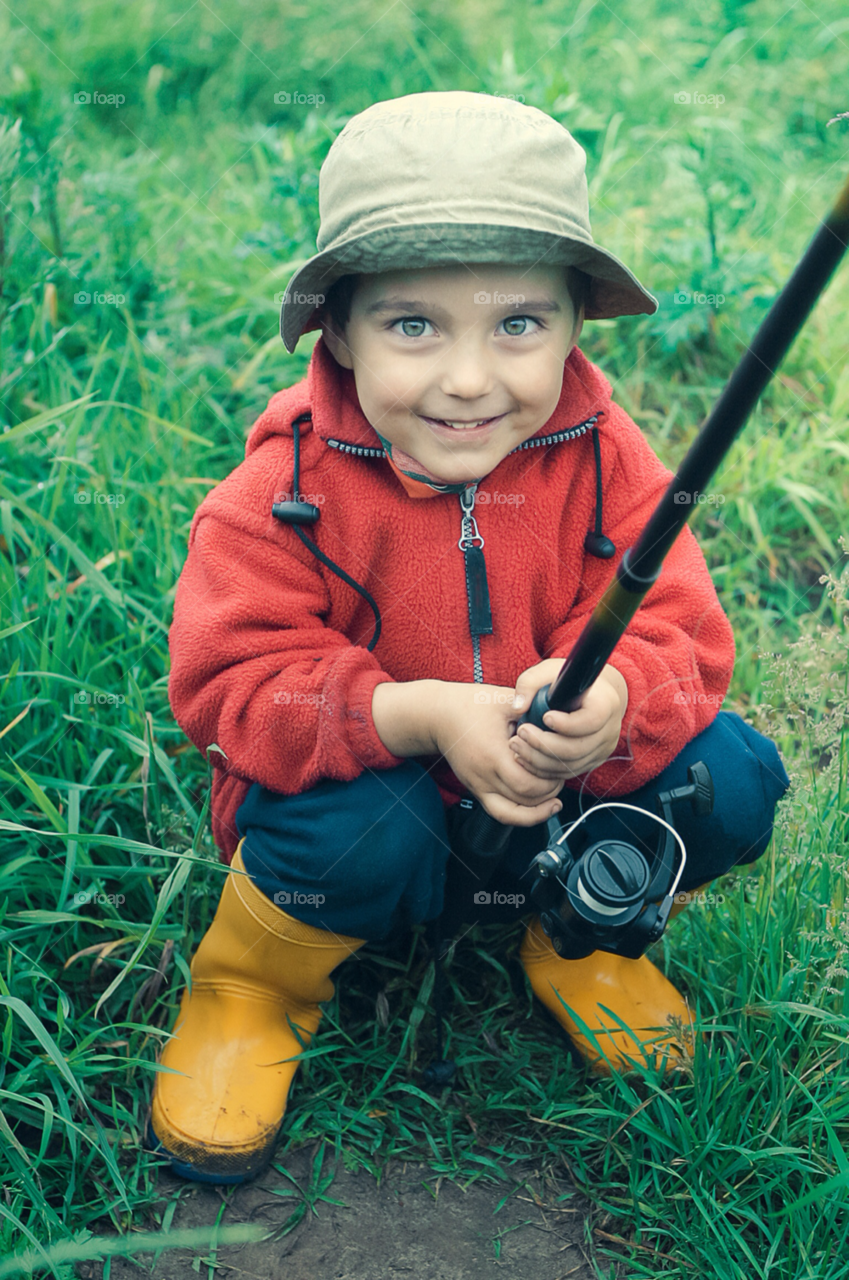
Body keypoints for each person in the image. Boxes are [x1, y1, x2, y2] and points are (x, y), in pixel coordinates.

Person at [147, 91, 790, 1184]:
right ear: (338, 330)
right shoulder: (278, 493)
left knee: (733, 776)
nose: (468, 378)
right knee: (360, 820)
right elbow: (227, 685)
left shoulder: (610, 462)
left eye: (518, 324)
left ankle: (580, 939)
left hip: (551, 806)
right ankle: (250, 990)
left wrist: (618, 702)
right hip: (383, 815)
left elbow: (686, 633)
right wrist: (423, 713)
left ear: (576, 323)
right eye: (412, 324)